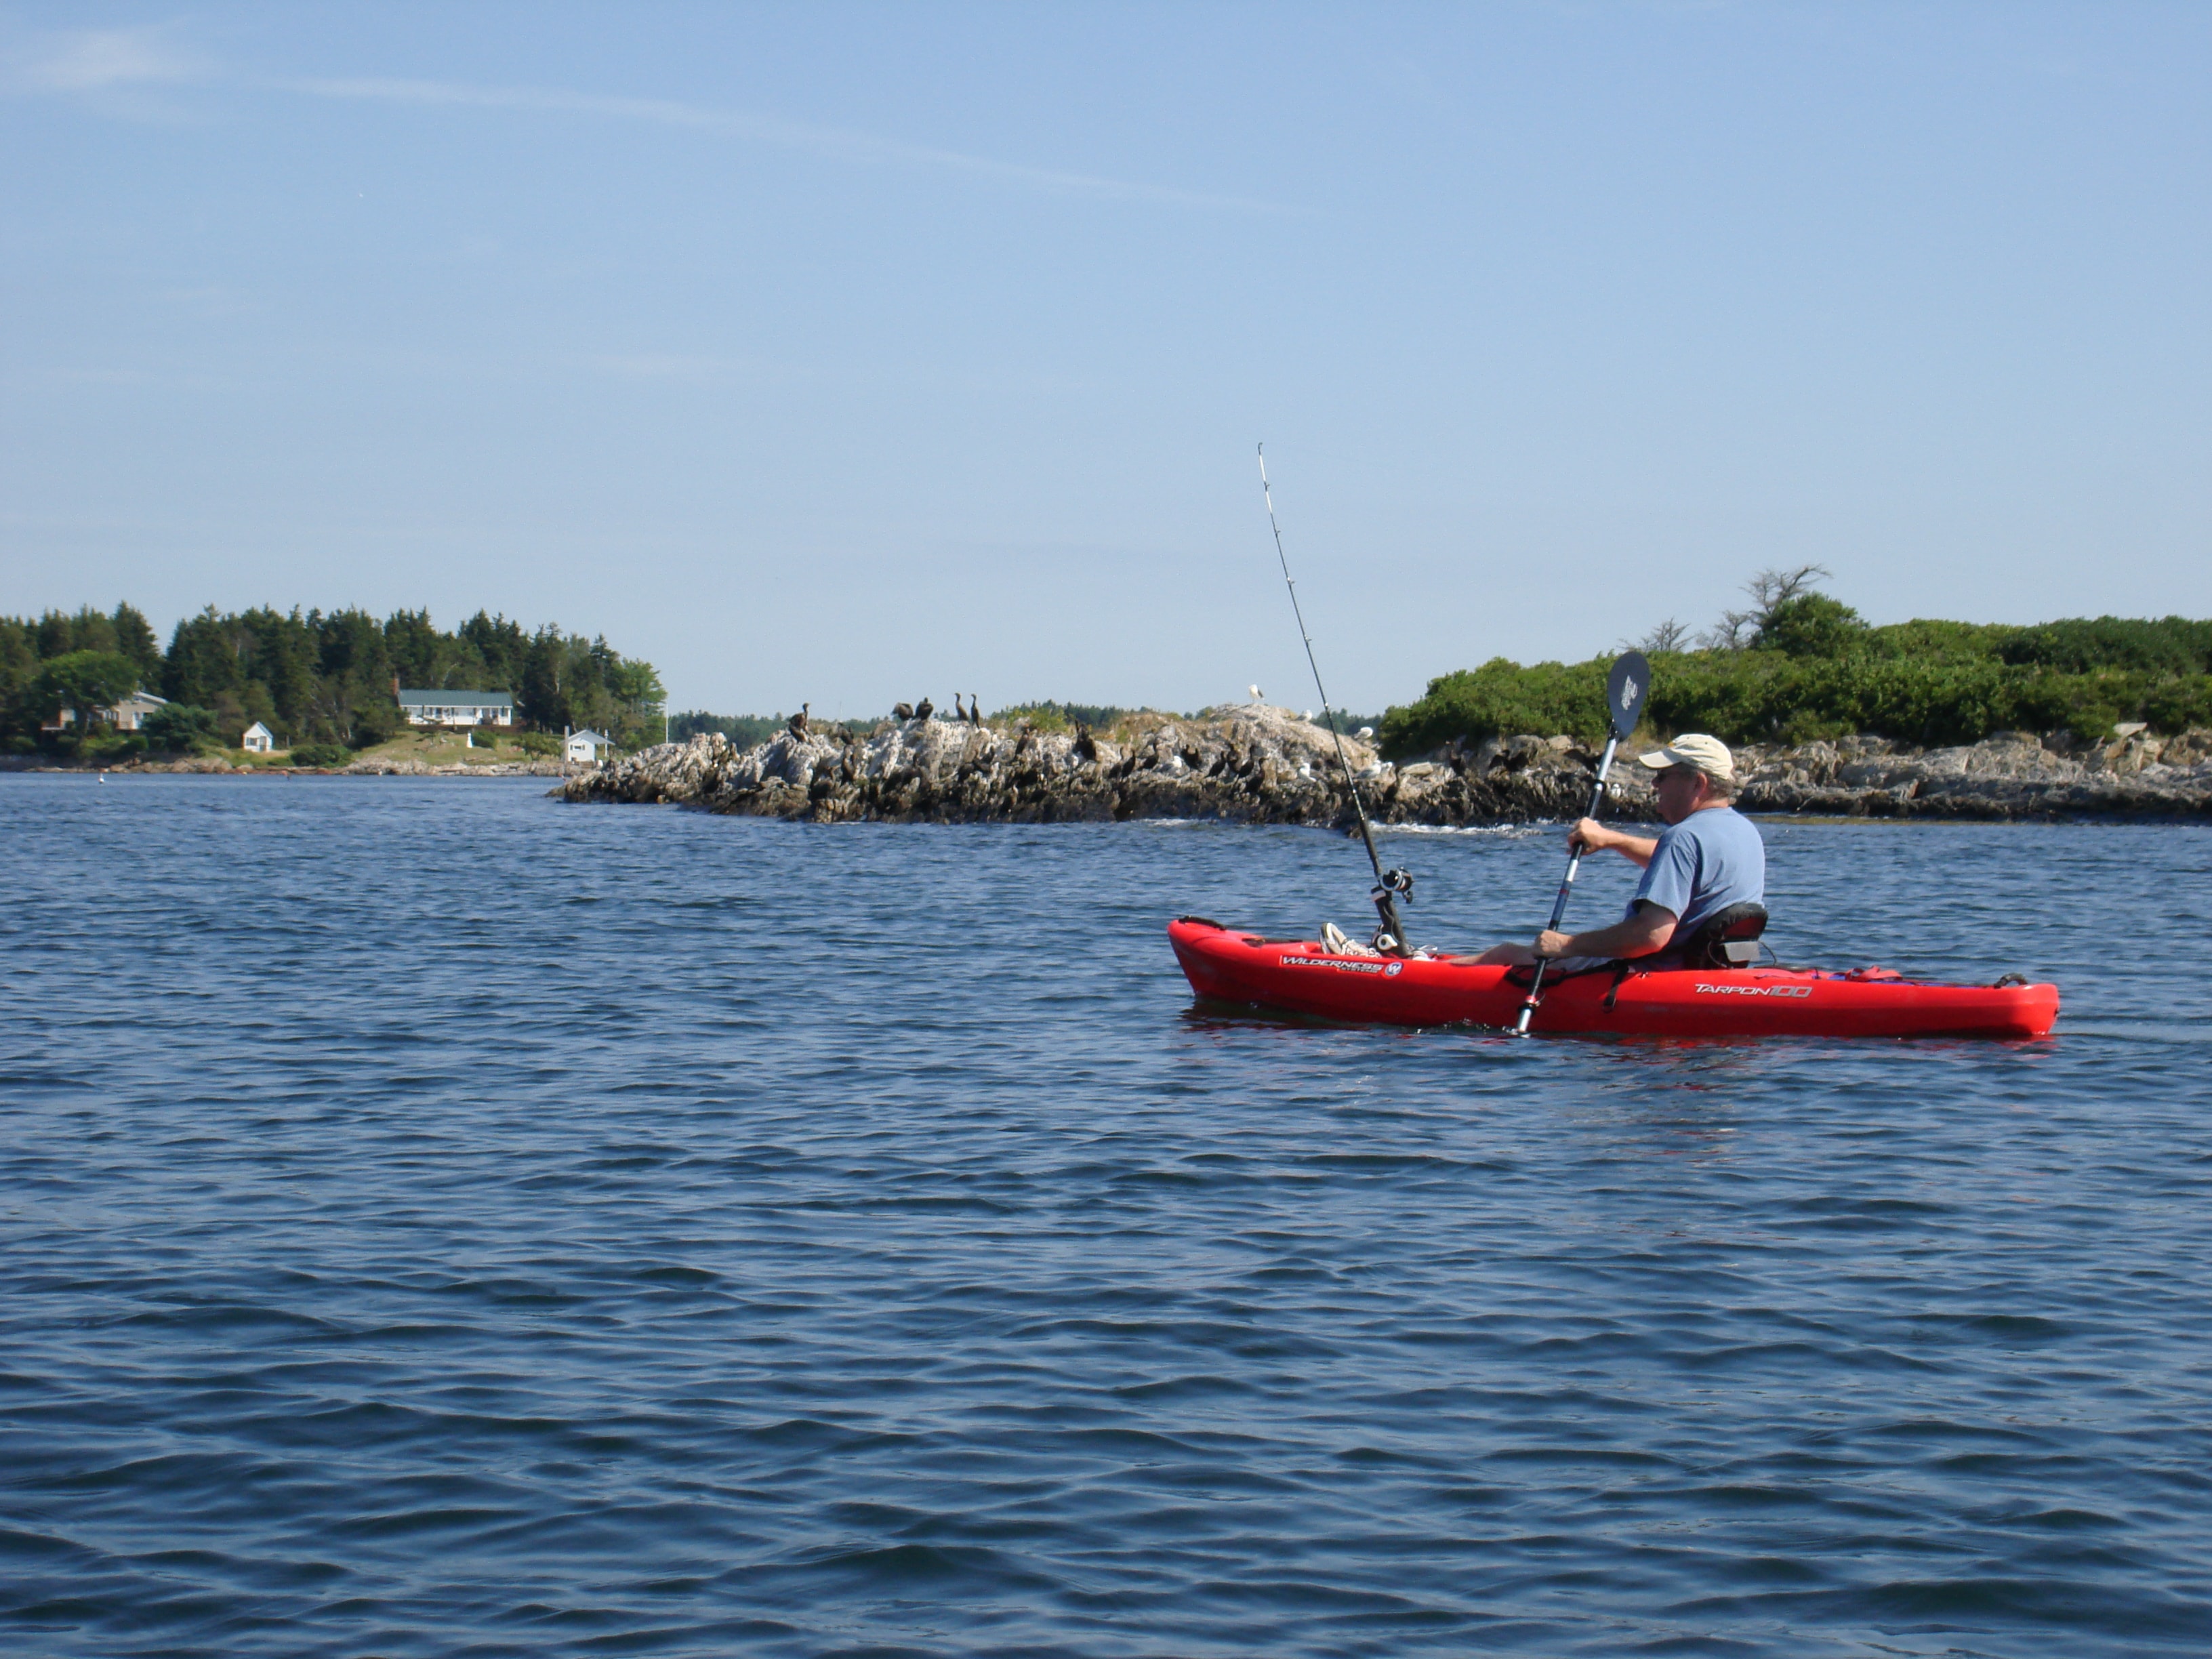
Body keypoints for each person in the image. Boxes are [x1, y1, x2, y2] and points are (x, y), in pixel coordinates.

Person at [1469, 733, 1764, 968]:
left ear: (1698, 783)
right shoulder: (1744, 832)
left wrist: (1565, 945)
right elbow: (1684, 866)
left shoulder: (1683, 838)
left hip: (1650, 972)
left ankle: (1439, 975)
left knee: (1502, 954)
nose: (1654, 784)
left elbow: (1651, 936)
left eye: (1663, 776)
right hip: (1710, 971)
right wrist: (1612, 840)